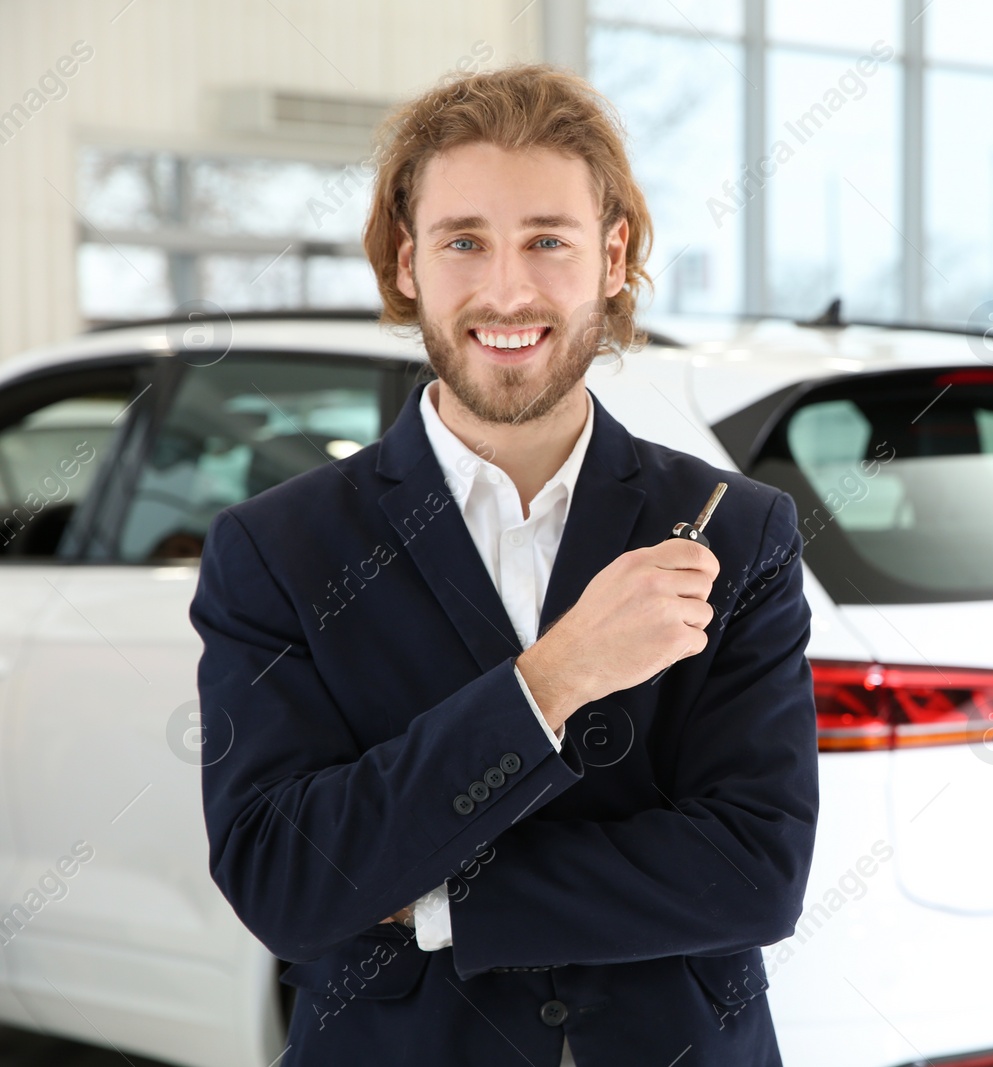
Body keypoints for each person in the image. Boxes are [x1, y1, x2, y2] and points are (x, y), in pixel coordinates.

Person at [190, 62, 818, 1066]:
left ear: (612, 258)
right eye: (464, 241)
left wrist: (427, 896)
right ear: (407, 263)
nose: (507, 289)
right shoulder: (277, 548)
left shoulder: (736, 530)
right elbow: (285, 879)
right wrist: (554, 677)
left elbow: (754, 872)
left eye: (547, 241)